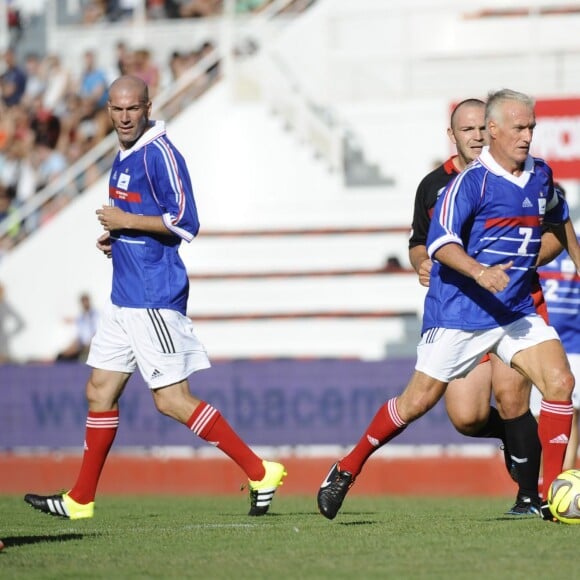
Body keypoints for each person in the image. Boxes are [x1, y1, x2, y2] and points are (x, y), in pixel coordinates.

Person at [24, 75, 286, 519]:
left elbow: (186, 221)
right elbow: (141, 222)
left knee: (170, 400)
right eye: (116, 109)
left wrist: (126, 220)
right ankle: (81, 499)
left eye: (132, 109)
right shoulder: (123, 154)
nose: (124, 117)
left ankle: (260, 470)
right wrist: (117, 238)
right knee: (99, 389)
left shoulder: (161, 154)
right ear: (107, 110)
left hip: (153, 297)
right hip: (124, 298)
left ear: (147, 107)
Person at [317, 88, 580, 521]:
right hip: (461, 311)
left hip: (515, 310)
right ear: (494, 131)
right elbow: (438, 241)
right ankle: (348, 466)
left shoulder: (540, 174)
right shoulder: (467, 184)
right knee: (417, 402)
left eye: (531, 127)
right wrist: (480, 271)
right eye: (519, 127)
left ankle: (549, 495)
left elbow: (560, 215)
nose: (528, 135)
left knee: (560, 383)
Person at [409, 98, 543, 515]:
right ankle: (516, 437)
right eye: (467, 130)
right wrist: (423, 263)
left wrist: (519, 260)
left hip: (510, 307)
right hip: (460, 312)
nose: (477, 136)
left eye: (482, 128)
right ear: (453, 136)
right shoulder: (434, 185)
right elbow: (419, 241)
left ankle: (532, 496)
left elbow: (554, 229)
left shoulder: (526, 176)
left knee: (512, 398)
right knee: (466, 417)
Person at [531, 196, 580, 479]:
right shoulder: (532, 245)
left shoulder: (567, 245)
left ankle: (561, 476)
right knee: (552, 412)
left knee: (565, 412)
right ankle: (548, 476)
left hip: (571, 342)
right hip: (544, 340)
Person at [56, 293, 99, 362]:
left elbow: (96, 332)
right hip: (82, 345)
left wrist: (89, 344)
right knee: (61, 357)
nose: (85, 304)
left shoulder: (96, 315)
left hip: (93, 344)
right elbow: (80, 335)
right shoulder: (81, 317)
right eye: (83, 302)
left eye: (86, 301)